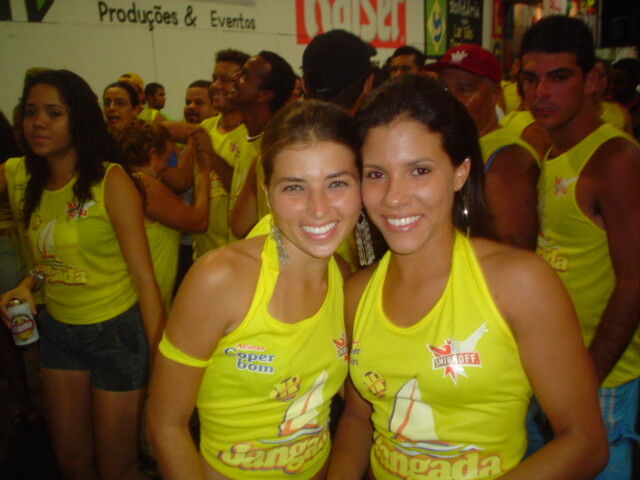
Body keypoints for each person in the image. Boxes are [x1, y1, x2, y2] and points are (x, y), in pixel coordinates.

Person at [327, 74, 607, 480]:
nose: (394, 197)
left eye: (419, 170)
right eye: (376, 174)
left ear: (460, 172)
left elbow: (585, 442)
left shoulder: (519, 284)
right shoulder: (357, 292)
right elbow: (358, 416)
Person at [147, 99, 362, 479]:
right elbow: (166, 424)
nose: (318, 208)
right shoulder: (220, 280)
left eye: (337, 184)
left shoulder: (344, 278)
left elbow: (354, 401)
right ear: (266, 190)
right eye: (294, 187)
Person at [0, 69, 164, 480]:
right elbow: (46, 263)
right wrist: (25, 286)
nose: (39, 122)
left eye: (54, 113)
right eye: (31, 112)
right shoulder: (30, 181)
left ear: (79, 119)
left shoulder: (110, 180)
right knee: (71, 463)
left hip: (116, 335)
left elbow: (144, 277)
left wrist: (162, 361)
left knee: (117, 469)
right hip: (58, 334)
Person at [519, 15, 640, 479]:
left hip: (599, 378)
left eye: (558, 77)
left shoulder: (615, 159)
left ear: (592, 80)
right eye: (530, 79)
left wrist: (588, 377)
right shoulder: (552, 151)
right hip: (552, 371)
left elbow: (634, 282)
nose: (541, 93)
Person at [429, 44, 539, 250]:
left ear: (495, 95)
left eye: (464, 90)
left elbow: (514, 249)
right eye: (444, 89)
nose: (451, 100)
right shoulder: (458, 144)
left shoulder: (507, 158)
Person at [110, 119, 212, 309]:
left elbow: (181, 181)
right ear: (152, 154)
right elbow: (199, 222)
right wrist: (204, 171)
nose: (165, 169)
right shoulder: (143, 185)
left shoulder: (121, 179)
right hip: (138, 304)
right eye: (165, 160)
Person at [226, 50, 297, 239]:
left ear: (264, 95)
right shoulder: (244, 135)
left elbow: (242, 227)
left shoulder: (278, 148)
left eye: (244, 75)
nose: (234, 77)